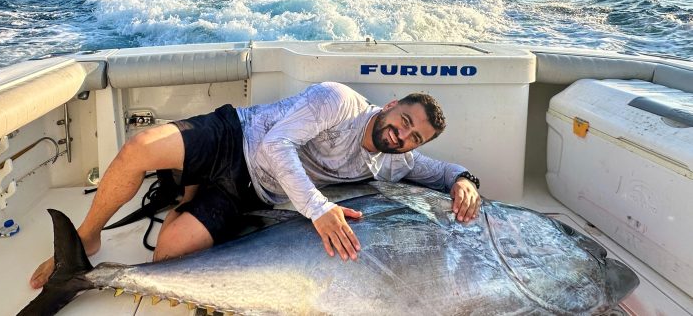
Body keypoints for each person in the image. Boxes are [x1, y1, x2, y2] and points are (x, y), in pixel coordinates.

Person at [30, 81, 480, 289]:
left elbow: (439, 172)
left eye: (413, 137)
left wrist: (464, 181)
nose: (402, 136)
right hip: (237, 136)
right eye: (403, 122)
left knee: (167, 253)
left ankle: (188, 193)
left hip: (249, 194)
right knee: (140, 147)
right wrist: (318, 208)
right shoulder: (339, 102)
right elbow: (275, 145)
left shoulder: (395, 161)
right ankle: (89, 234)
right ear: (392, 105)